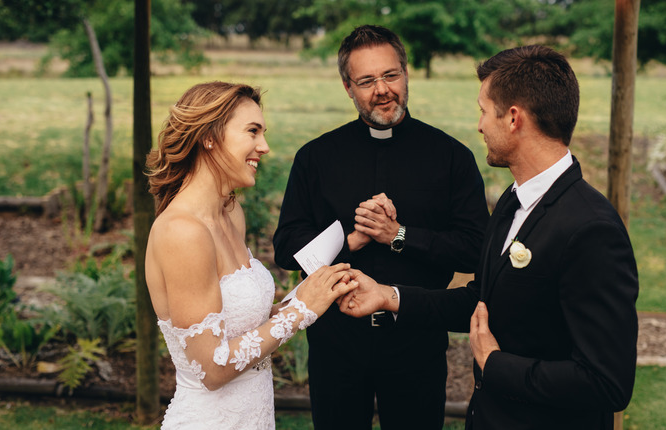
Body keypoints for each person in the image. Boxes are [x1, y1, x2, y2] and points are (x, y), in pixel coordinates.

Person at [340, 45, 639, 430]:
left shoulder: (591, 229)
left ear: (513, 118)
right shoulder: (512, 202)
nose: (479, 125)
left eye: (483, 111)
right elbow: (481, 301)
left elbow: (607, 383)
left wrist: (496, 365)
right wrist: (388, 296)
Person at [272, 25, 489, 429]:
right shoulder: (315, 158)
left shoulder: (451, 158)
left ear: (406, 74)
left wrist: (399, 236)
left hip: (416, 338)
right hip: (335, 344)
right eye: (367, 81)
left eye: (390, 75)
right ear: (347, 87)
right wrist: (351, 237)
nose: (382, 90)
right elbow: (287, 248)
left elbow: (477, 249)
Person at [144, 81, 357, 429]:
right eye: (252, 132)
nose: (265, 146)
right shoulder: (183, 232)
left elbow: (244, 328)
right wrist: (302, 311)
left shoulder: (231, 213)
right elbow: (212, 368)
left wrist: (312, 294)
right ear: (209, 137)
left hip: (255, 415)